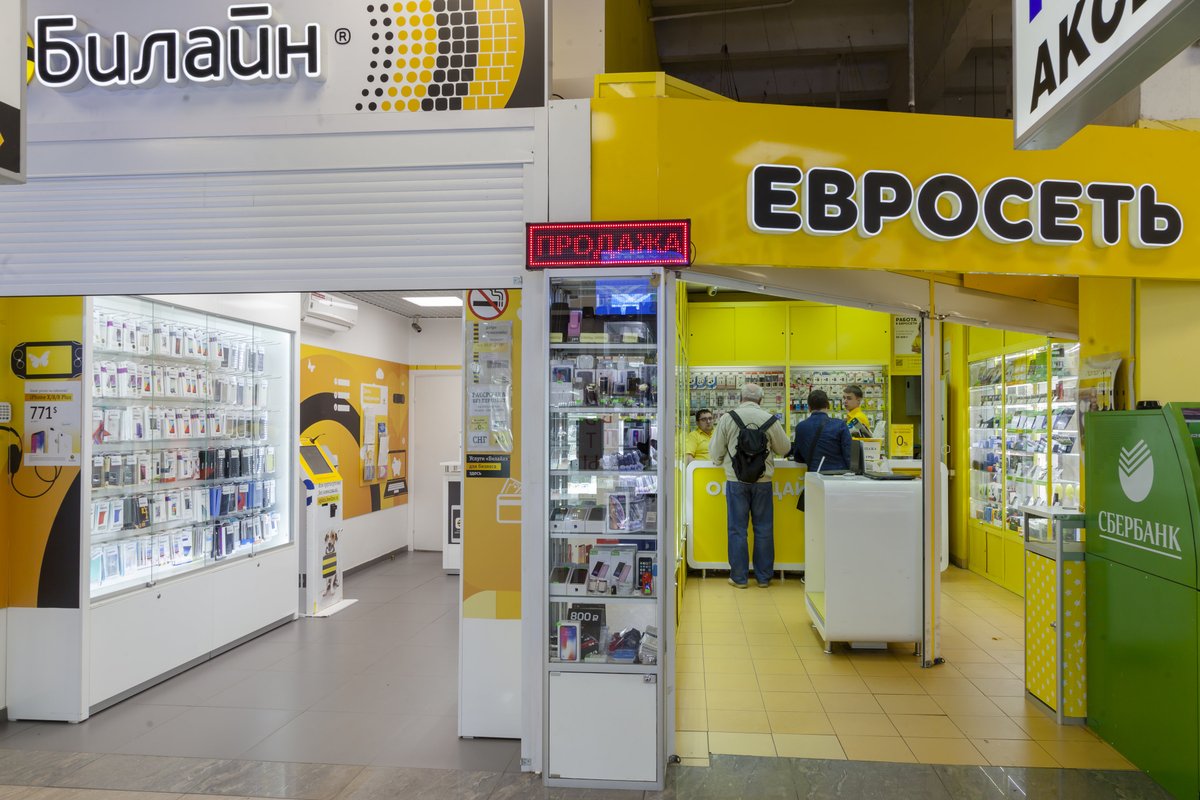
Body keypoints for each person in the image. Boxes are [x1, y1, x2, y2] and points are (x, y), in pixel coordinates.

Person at [710, 383, 791, 589]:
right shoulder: (770, 419)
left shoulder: (728, 418)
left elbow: (715, 452)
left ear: (740, 398)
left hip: (736, 481)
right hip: (763, 482)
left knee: (737, 529)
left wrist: (719, 461)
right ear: (761, 400)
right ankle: (763, 578)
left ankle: (739, 578)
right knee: (763, 529)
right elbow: (784, 448)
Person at [791, 389, 852, 471]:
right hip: (838, 474)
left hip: (814, 474)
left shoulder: (800, 427)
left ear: (809, 407)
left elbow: (798, 457)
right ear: (828, 405)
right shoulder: (840, 425)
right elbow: (849, 454)